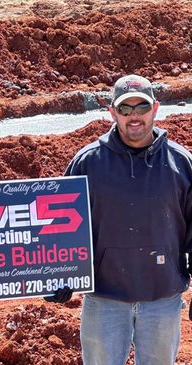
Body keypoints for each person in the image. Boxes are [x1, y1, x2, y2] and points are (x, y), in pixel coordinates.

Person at [64, 74, 192, 365]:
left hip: (162, 300)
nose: (134, 116)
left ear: (156, 109)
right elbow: (61, 227)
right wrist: (59, 278)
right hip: (104, 300)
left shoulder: (181, 163)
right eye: (125, 109)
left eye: (141, 107)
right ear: (112, 112)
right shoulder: (88, 163)